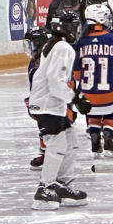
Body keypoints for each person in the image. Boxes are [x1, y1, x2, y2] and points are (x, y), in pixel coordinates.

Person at [28, 11, 91, 210]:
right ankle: (44, 188)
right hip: (48, 104)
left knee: (70, 140)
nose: (77, 30)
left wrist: (73, 98)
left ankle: (62, 184)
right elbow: (55, 81)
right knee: (57, 143)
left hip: (51, 103)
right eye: (73, 26)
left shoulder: (54, 45)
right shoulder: (62, 47)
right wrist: (75, 99)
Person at [73, 4, 113, 158]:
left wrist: (80, 83)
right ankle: (108, 134)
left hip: (88, 92)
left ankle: (94, 135)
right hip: (109, 92)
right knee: (111, 113)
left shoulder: (80, 42)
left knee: (92, 113)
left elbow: (76, 71)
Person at [24, 27, 49, 169]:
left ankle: (51, 155)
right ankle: (45, 154)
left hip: (51, 102)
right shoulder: (34, 61)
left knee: (50, 129)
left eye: (31, 43)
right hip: (40, 101)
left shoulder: (48, 61)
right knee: (43, 127)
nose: (29, 47)